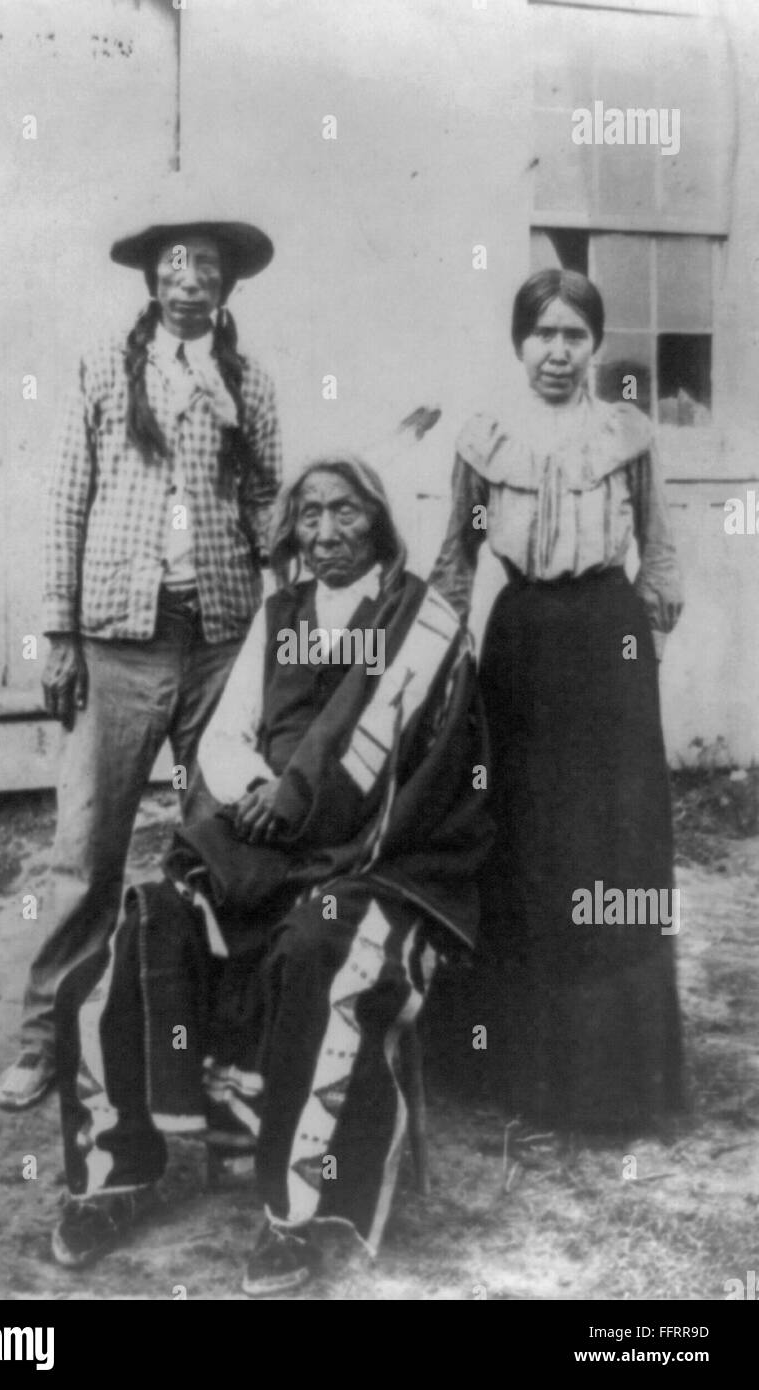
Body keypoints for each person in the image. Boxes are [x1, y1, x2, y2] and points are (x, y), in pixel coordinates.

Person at [50, 457, 493, 1296]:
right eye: (311, 516)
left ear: (379, 524)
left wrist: (312, 806)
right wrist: (263, 794)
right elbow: (223, 738)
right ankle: (115, 1173)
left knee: (320, 948)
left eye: (346, 514)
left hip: (379, 855)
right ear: (291, 530)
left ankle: (294, 1211)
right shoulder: (280, 615)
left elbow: (437, 777)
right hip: (270, 841)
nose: (325, 533)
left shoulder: (422, 625)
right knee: (146, 924)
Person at [0, 188, 281, 1110]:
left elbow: (272, 503)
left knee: (218, 842)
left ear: (227, 284)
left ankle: (204, 1044)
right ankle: (45, 1042)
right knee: (84, 852)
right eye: (175, 264)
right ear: (152, 279)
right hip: (117, 643)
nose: (190, 281)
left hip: (221, 642)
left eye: (207, 266)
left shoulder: (250, 381)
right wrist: (60, 633)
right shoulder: (103, 372)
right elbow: (65, 505)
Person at [430, 268, 684, 1134]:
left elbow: (662, 552)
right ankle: (523, 1074)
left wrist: (639, 641)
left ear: (594, 347)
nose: (558, 351)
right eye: (542, 333)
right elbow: (457, 560)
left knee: (611, 846)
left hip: (606, 649)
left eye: (575, 334)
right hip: (523, 646)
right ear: (519, 342)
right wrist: (443, 658)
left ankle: (617, 1079)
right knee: (528, 844)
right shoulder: (485, 441)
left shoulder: (627, 434)